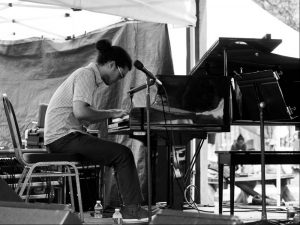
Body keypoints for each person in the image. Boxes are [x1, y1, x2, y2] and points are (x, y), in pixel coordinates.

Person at [44, 39, 149, 219]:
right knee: (122, 154)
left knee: (115, 154)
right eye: (120, 75)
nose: (118, 81)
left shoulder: (88, 76)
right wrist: (111, 113)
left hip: (63, 136)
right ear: (111, 64)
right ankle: (132, 210)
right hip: (62, 138)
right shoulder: (86, 75)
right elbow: (81, 112)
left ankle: (127, 207)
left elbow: (79, 115)